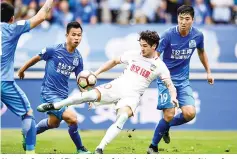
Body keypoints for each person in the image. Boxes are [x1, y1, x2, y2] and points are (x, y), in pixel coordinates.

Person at [37, 30, 179, 154]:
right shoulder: (133, 54)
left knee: (122, 117)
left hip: (132, 96)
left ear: (154, 46)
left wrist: (173, 97)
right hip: (117, 86)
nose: (141, 49)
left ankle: (100, 148)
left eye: (145, 46)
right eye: (140, 45)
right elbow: (114, 61)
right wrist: (96, 73)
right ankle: (55, 105)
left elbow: (170, 85)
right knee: (88, 95)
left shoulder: (160, 66)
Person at [147, 5, 214, 154]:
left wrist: (208, 72)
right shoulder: (168, 34)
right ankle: (153, 146)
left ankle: (166, 127)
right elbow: (156, 54)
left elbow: (202, 52)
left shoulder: (197, 36)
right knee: (169, 113)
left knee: (190, 113)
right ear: (177, 19)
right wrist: (154, 69)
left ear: (193, 20)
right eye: (181, 18)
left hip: (183, 80)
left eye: (187, 19)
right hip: (166, 79)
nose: (183, 22)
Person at [18, 21, 91, 154]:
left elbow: (80, 80)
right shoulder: (53, 50)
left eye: (79, 35)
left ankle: (29, 133)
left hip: (62, 96)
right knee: (73, 118)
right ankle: (80, 149)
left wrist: (88, 95)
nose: (77, 38)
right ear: (66, 35)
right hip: (49, 93)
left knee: (53, 124)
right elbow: (36, 58)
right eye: (73, 35)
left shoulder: (78, 58)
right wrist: (22, 70)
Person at [1, 0, 54, 154]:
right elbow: (41, 16)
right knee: (27, 113)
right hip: (3, 81)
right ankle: (30, 154)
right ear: (12, 18)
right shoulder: (12, 28)